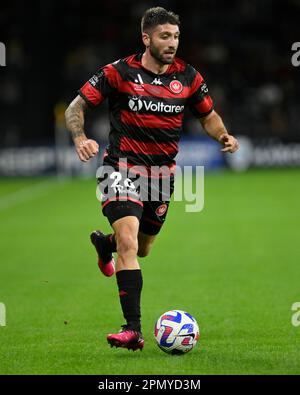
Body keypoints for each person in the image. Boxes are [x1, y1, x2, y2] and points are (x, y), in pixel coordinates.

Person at [65, 7, 239, 352]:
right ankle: (133, 330)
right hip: (119, 168)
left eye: (175, 36)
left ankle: (105, 245)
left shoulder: (188, 76)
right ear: (146, 38)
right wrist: (79, 137)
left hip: (161, 176)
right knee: (130, 244)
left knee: (143, 248)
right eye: (164, 36)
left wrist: (223, 136)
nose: (172, 43)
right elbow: (75, 107)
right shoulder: (118, 72)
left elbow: (209, 115)